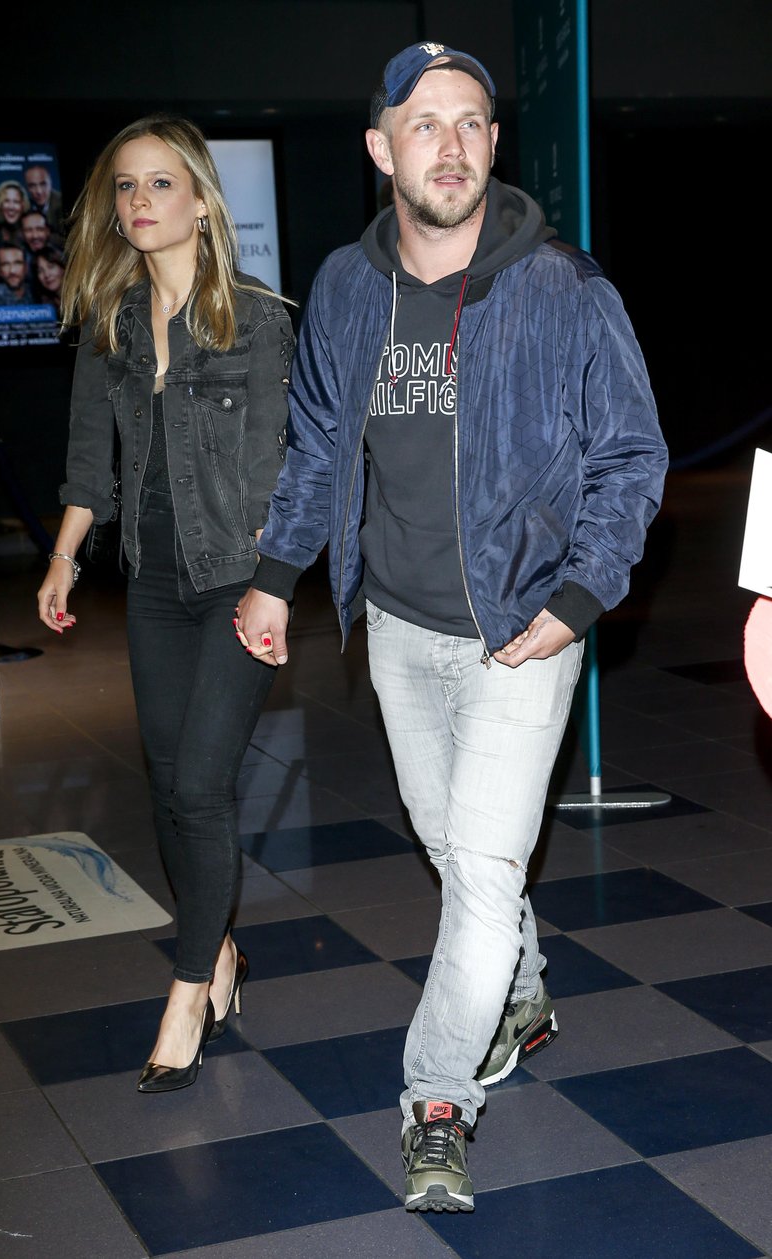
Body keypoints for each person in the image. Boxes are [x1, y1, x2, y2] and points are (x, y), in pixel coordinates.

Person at [235, 42, 669, 1212]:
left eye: (471, 121)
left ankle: (437, 1100)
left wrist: (576, 600)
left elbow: (632, 457)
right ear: (381, 149)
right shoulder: (343, 287)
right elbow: (316, 447)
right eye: (424, 123)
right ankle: (520, 993)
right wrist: (277, 577)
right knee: (454, 849)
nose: (451, 144)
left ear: (494, 143)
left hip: (525, 627)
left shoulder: (565, 288)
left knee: (479, 870)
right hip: (400, 627)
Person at [36, 115, 293, 1095]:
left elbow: (281, 473)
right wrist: (64, 558)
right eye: (126, 187)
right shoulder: (109, 324)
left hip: (236, 581)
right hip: (150, 582)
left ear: (201, 203)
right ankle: (218, 950)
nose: (140, 201)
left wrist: (273, 589)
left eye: (160, 183)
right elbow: (86, 461)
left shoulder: (256, 320)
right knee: (168, 786)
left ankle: (187, 994)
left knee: (200, 789)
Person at [24, 163, 64, 233]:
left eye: (43, 184)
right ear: (27, 187)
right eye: (32, 185)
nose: (39, 191)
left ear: (50, 183)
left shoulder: (61, 204)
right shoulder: (24, 206)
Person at [0, 179, 29, 247]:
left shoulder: (30, 233)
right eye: (6, 201)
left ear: (23, 205)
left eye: (16, 202)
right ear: (0, 204)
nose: (11, 207)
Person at [32, 242, 66, 312]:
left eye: (51, 267)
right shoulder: (41, 304)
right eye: (40, 271)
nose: (47, 275)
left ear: (63, 268)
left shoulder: (82, 296)